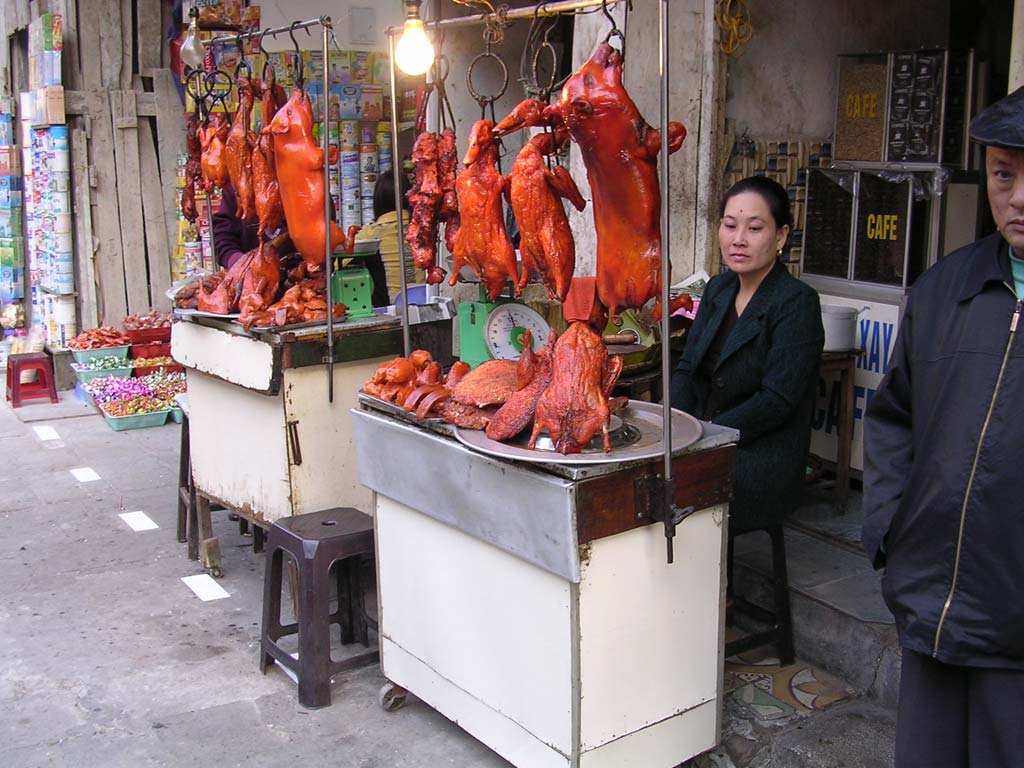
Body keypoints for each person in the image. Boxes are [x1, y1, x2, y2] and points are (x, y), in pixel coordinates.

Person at [863, 87, 1024, 767]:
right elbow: (893, 415)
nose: (1017, 198)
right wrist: (890, 530)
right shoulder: (945, 288)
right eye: (1003, 174)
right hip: (932, 601)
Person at [670, 176, 824, 534]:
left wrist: (708, 437)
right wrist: (675, 426)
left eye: (754, 228)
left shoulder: (796, 302)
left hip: (761, 454)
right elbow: (688, 368)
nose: (738, 239)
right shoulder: (719, 290)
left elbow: (777, 401)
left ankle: (713, 588)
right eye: (729, 225)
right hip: (705, 438)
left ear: (781, 236)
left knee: (670, 489)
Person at [212, 181, 389, 306]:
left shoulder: (310, 187)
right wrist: (243, 268)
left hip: (305, 292)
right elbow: (222, 238)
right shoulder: (238, 189)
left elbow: (322, 244)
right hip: (248, 294)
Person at [353, 170, 416, 303]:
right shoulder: (421, 230)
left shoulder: (373, 233)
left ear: (378, 200)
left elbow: (338, 264)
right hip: (424, 301)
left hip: (389, 309)